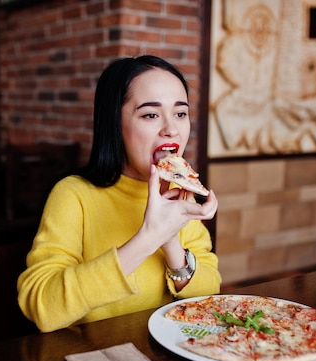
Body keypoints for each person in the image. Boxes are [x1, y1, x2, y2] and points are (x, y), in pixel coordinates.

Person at [17, 55, 221, 332]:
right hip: (93, 357)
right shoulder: (73, 195)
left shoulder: (180, 194)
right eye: (150, 114)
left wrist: (171, 240)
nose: (171, 128)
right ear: (115, 123)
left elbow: (210, 290)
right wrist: (150, 237)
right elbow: (41, 306)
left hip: (165, 352)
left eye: (180, 113)